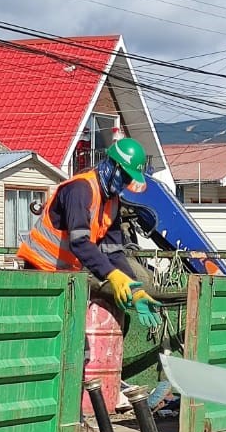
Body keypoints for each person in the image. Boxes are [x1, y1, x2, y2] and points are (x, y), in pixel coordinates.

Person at [17, 137, 160, 327]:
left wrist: (134, 290)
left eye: (128, 180)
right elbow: (79, 242)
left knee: (66, 331)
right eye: (124, 176)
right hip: (39, 270)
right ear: (113, 166)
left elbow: (114, 252)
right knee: (42, 329)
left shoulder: (112, 202)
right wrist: (112, 275)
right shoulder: (80, 189)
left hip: (67, 276)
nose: (125, 183)